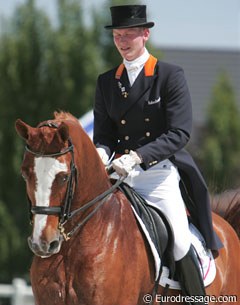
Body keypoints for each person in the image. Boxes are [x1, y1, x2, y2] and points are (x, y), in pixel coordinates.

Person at [93, 4, 223, 303]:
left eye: (129, 35)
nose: (123, 42)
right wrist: (101, 153)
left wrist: (138, 156)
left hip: (158, 175)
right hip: (118, 177)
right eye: (117, 35)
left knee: (179, 240)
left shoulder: (168, 75)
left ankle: (194, 299)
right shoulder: (106, 82)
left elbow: (179, 133)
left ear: (145, 34)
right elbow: (104, 134)